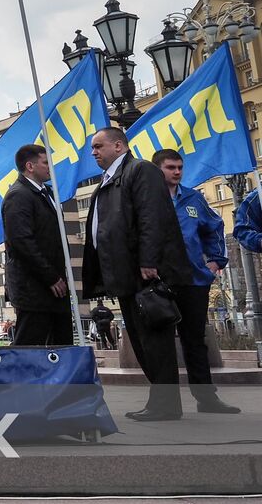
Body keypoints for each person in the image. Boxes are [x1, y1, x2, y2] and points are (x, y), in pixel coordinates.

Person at [82, 127, 194, 421]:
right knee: (143, 341)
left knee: (155, 340)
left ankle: (166, 405)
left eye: (98, 146)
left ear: (119, 146)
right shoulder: (109, 181)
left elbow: (151, 216)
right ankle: (160, 401)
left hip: (143, 273)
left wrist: (149, 259)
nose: (93, 152)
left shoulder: (140, 170)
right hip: (124, 274)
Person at [153, 149, 239, 414]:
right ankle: (163, 402)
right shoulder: (147, 200)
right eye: (171, 167)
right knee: (159, 342)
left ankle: (206, 398)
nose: (177, 172)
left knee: (195, 339)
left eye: (180, 167)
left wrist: (215, 261)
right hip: (160, 281)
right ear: (158, 170)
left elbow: (214, 227)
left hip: (193, 280)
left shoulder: (193, 198)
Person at [0, 144, 74, 347]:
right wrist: (50, 276)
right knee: (30, 347)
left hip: (53, 288)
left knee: (61, 345)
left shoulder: (45, 193)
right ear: (30, 166)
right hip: (35, 290)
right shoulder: (19, 195)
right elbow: (22, 242)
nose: (51, 166)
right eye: (45, 162)